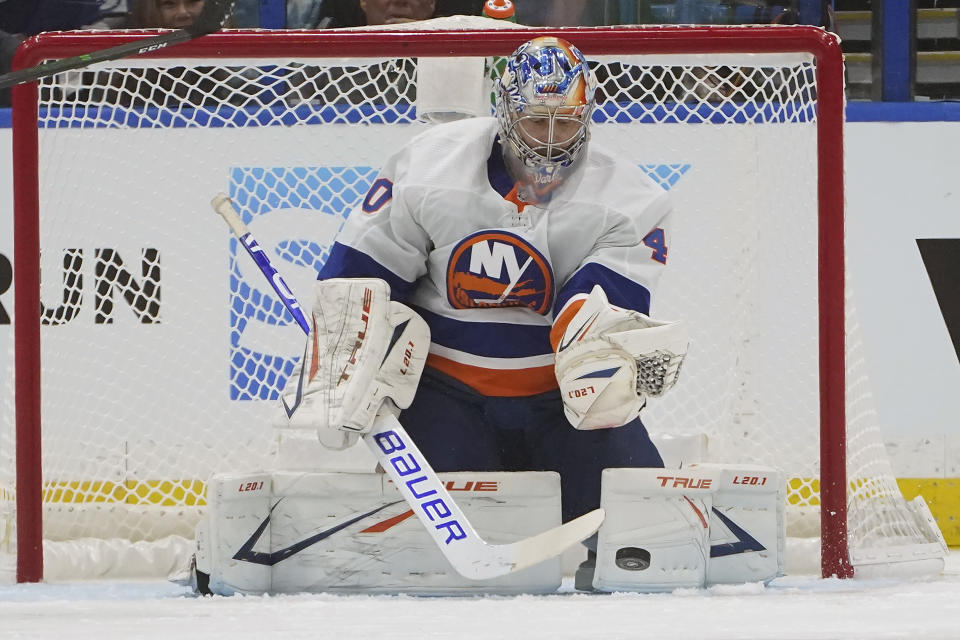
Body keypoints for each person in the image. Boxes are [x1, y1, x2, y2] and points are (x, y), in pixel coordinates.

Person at [283, 36, 686, 587]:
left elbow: (597, 318)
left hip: (559, 405)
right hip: (447, 400)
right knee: (436, 573)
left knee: (655, 550)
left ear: (588, 117)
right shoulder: (428, 165)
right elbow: (360, 276)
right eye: (534, 121)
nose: (549, 142)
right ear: (503, 113)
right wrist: (349, 352)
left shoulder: (630, 200)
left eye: (565, 123)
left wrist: (607, 359)